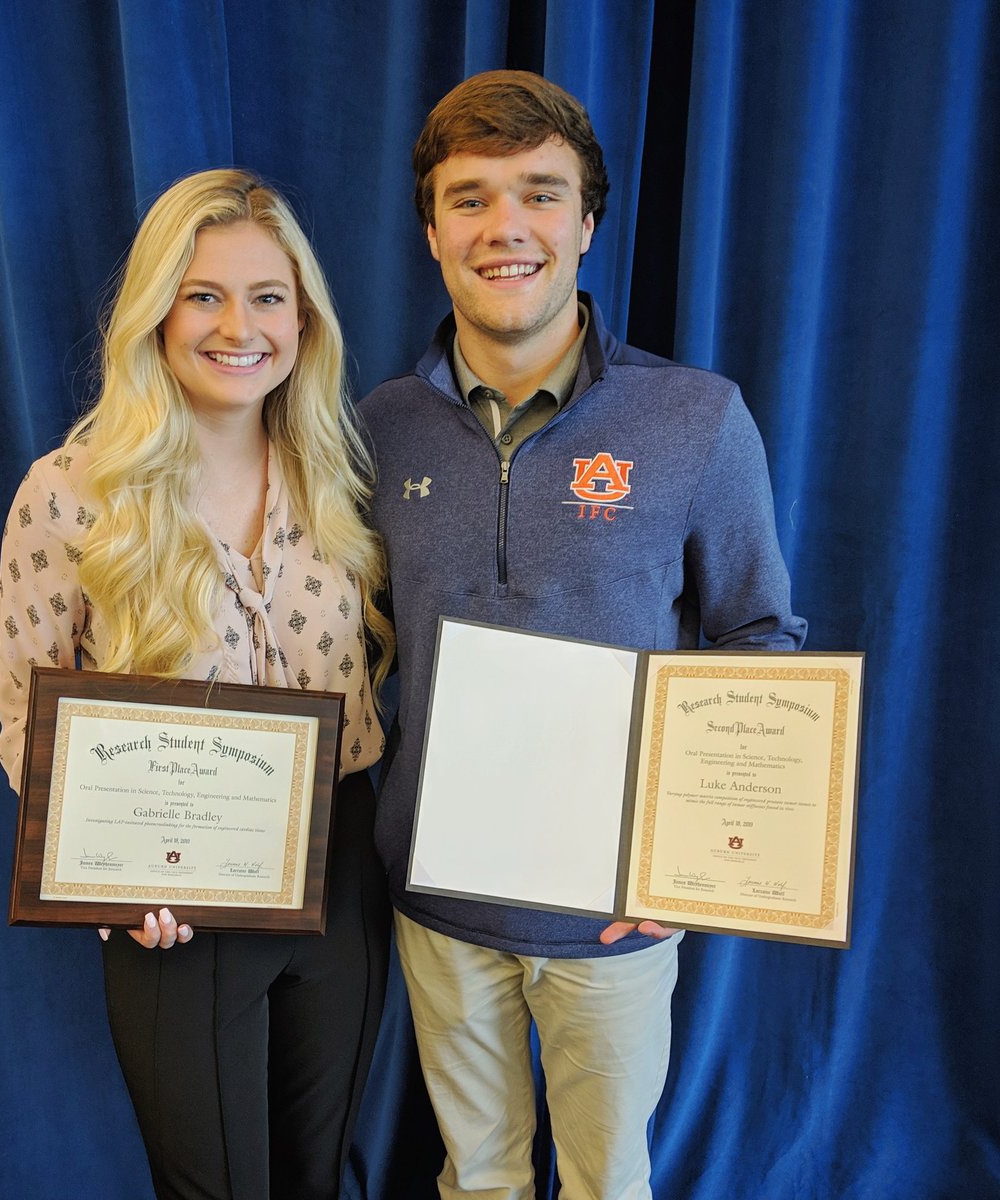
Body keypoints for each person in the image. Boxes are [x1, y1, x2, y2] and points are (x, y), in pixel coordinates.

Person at [358, 71, 807, 1200]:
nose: (506, 227)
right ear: (430, 231)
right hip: (436, 905)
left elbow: (758, 638)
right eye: (470, 198)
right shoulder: (376, 426)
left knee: (610, 1184)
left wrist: (692, 866)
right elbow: (352, 652)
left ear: (588, 223)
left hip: (613, 918)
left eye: (540, 194)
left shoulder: (698, 417)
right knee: (478, 1179)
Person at [0, 169, 393, 1200]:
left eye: (267, 296)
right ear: (155, 312)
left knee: (315, 1176)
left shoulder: (342, 480)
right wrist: (111, 880)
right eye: (203, 294)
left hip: (341, 873)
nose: (238, 327)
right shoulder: (69, 494)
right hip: (172, 899)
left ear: (303, 317)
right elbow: (23, 713)